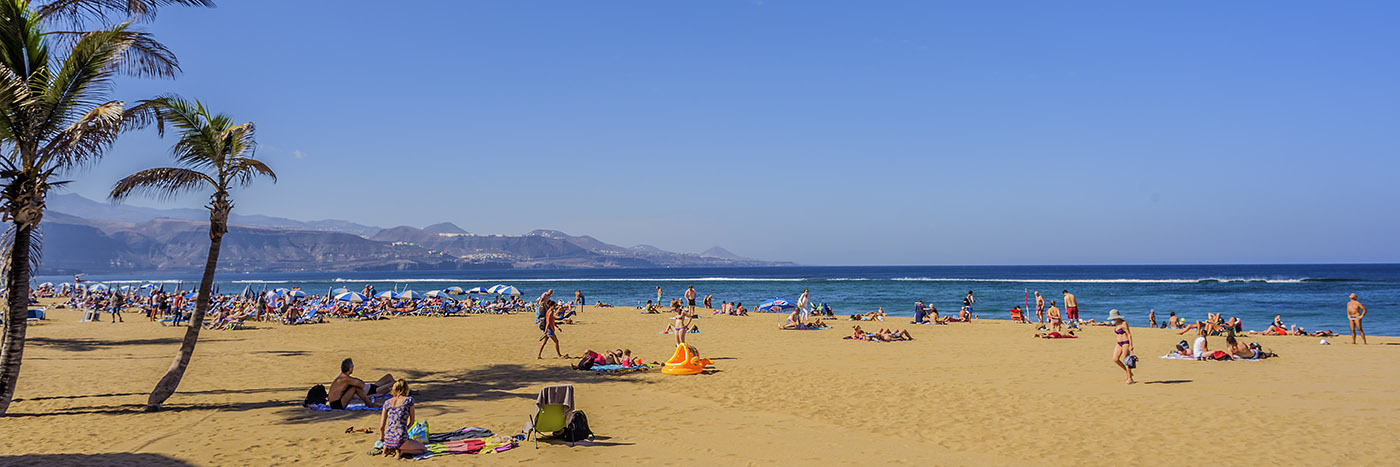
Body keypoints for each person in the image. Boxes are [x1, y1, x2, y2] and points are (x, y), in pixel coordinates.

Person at [378, 379, 426, 458]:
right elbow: (412, 421)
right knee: (423, 449)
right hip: (400, 437)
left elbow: (381, 426)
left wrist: (382, 438)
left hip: (388, 438)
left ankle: (388, 449)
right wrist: (404, 430)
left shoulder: (387, 403)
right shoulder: (409, 400)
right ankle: (402, 451)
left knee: (392, 443)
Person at [328, 358, 393, 409]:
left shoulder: (343, 377)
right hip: (337, 404)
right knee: (394, 383)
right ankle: (370, 404)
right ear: (350, 369)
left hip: (335, 402)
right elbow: (361, 385)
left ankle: (370, 404)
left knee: (389, 376)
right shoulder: (345, 379)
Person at [1108, 310, 1134, 384]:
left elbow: (1129, 334)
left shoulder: (1124, 323)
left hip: (1125, 342)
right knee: (1115, 359)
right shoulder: (1116, 323)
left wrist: (1131, 345)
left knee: (1126, 360)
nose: (1112, 319)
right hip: (1119, 343)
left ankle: (1130, 378)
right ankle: (1128, 372)